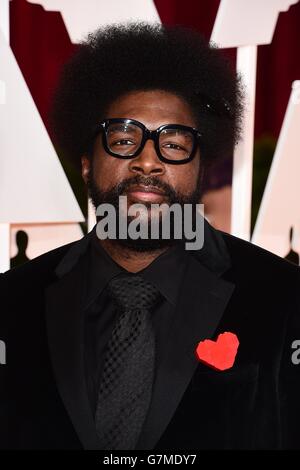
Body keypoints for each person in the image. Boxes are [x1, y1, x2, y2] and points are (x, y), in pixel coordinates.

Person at [0, 22, 299, 450]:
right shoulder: (12, 302)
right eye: (124, 139)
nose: (148, 161)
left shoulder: (284, 298)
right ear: (87, 163)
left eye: (174, 145)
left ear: (201, 169)